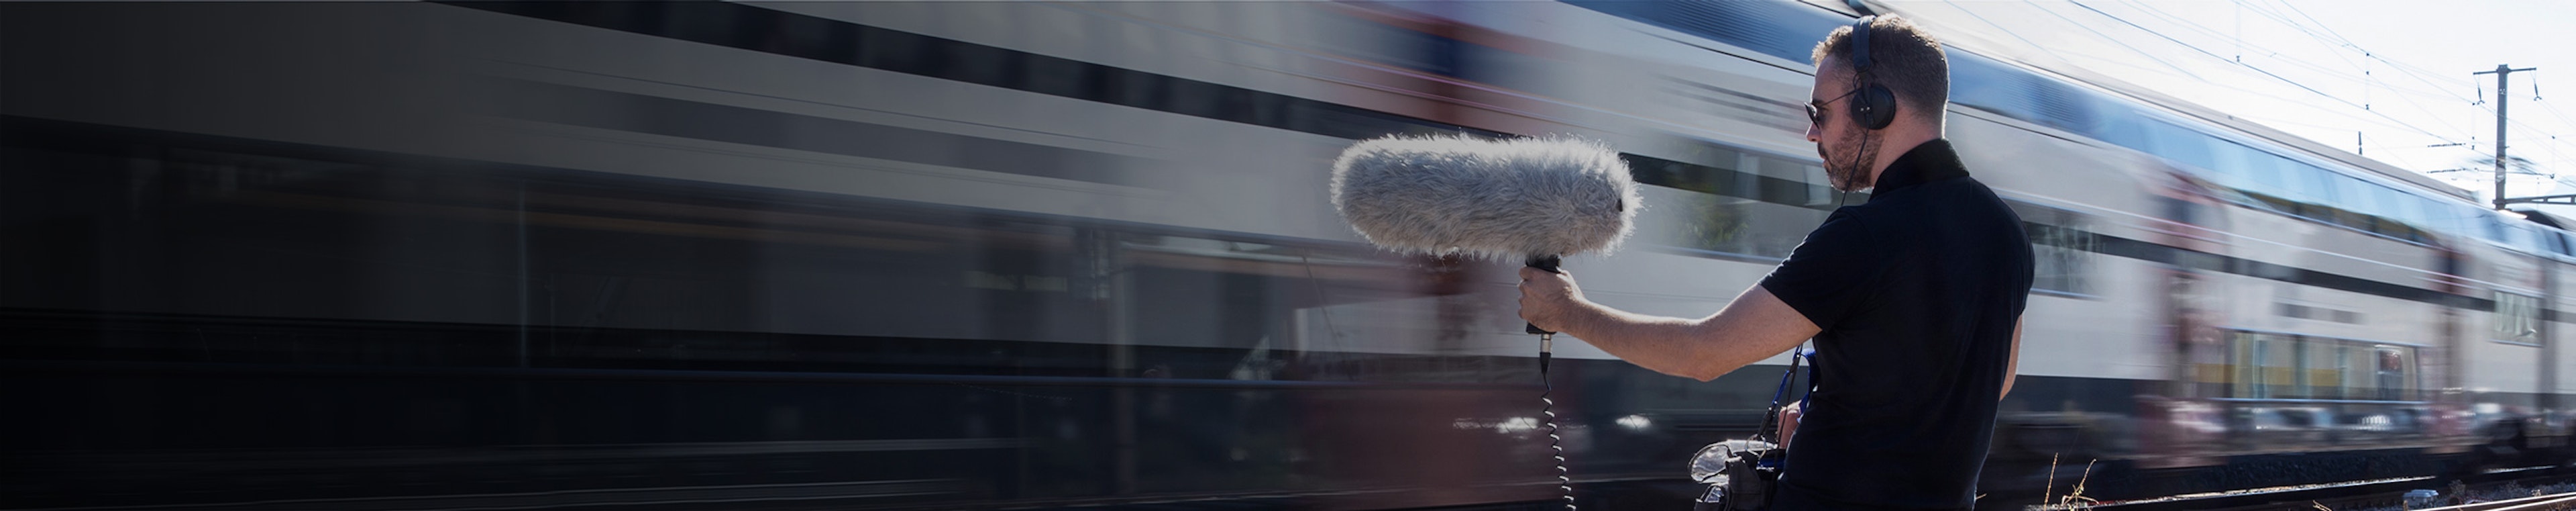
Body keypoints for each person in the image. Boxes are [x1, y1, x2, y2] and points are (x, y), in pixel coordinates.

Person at [1517, 13, 2034, 510]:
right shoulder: (2008, 233)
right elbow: (1998, 380)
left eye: (1819, 113)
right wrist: (1830, 409)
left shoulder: (1864, 236)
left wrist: (1569, 312)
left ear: (1872, 106)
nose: (1813, 135)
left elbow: (1704, 353)